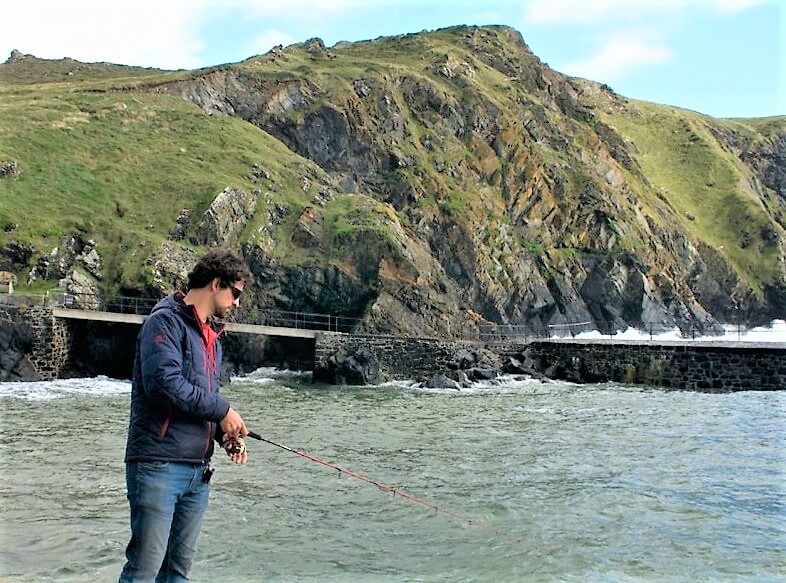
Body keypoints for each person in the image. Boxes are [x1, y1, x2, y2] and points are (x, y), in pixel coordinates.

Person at [119, 248, 253, 582]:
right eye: (235, 293)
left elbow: (200, 401)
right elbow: (164, 385)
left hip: (198, 472)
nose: (237, 302)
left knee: (177, 573)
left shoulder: (213, 339)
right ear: (215, 283)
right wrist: (223, 410)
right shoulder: (164, 321)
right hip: (157, 466)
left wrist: (224, 436)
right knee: (144, 570)